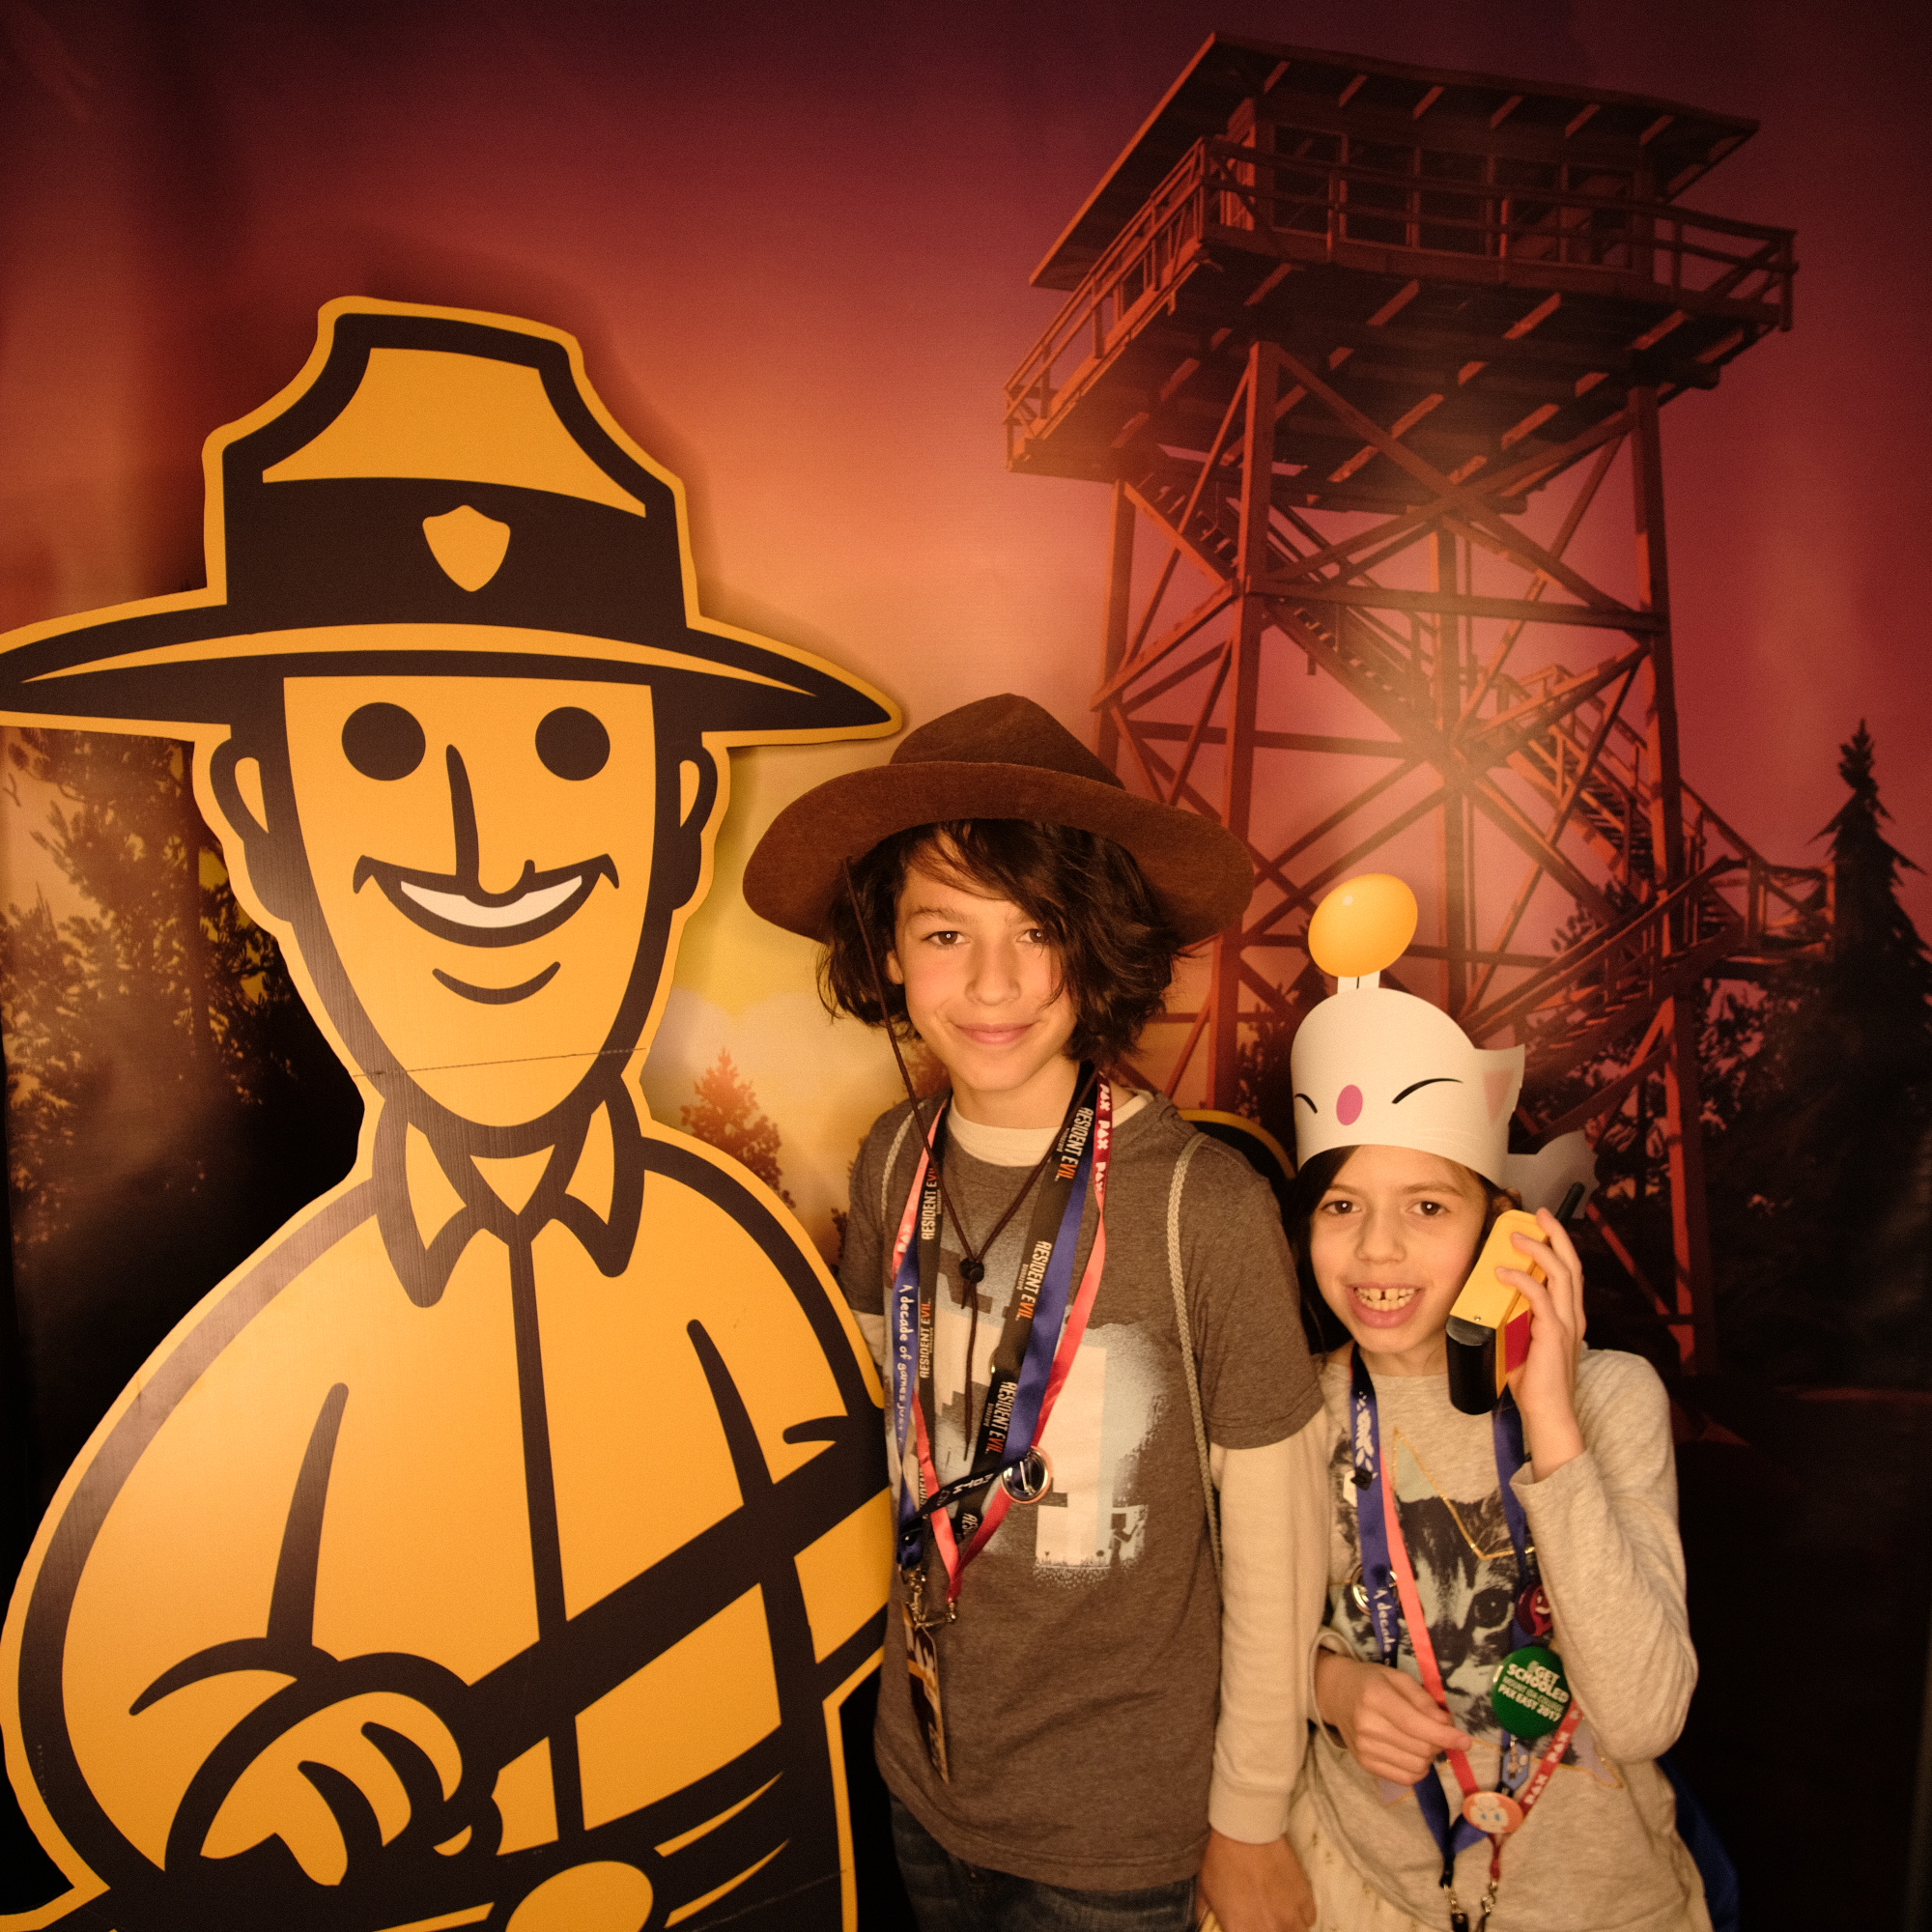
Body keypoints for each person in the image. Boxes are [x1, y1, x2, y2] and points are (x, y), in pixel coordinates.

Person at [0, 300, 898, 1931]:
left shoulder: (733, 1272)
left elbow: (848, 1558)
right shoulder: (289, 1346)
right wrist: (245, 1756)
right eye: (387, 743)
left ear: (679, 805)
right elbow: (113, 1678)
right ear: (262, 811)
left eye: (568, 742)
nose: (490, 847)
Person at [743, 693, 1330, 1932]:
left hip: (1118, 1838)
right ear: (887, 950)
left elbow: (1276, 1544)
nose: (992, 981)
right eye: (944, 931)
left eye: (1037, 928)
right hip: (922, 1780)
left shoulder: (1201, 1205)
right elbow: (878, 1438)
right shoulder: (891, 1159)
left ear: (1097, 942)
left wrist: (1249, 1817)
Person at [1280, 875, 1707, 1932]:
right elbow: (1227, 1638)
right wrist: (1328, 1687)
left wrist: (1550, 1420)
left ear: (1503, 1227)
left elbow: (1643, 1714)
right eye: (1342, 1205)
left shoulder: (1612, 1400)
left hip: (1600, 1907)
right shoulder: (1301, 1410)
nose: (1377, 1249)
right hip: (1370, 1893)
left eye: (1427, 1206)